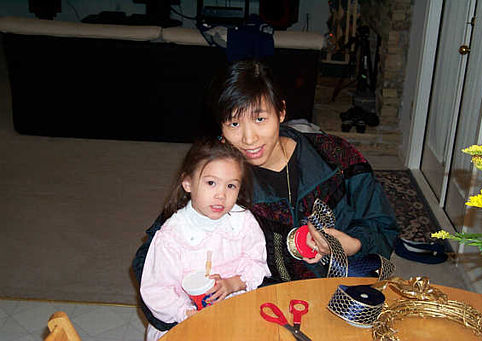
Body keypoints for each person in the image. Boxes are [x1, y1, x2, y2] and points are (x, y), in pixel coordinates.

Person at [132, 60, 398, 330]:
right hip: (258, 307)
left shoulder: (337, 159)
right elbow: (149, 258)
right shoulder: (220, 180)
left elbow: (383, 227)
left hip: (339, 300)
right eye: (234, 123)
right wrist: (186, 312)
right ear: (220, 130)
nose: (249, 138)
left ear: (281, 111)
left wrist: (352, 245)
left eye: (260, 119)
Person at [139, 138, 271, 340]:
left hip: (234, 313)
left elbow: (257, 262)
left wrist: (232, 284)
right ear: (188, 183)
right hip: (186, 320)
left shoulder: (243, 221)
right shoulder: (172, 236)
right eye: (211, 183)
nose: (221, 195)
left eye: (231, 186)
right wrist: (186, 313)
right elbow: (157, 291)